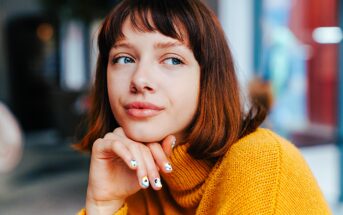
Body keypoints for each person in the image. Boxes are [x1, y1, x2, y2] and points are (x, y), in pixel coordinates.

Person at [76, 0, 331, 214]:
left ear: (208, 77)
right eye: (124, 58)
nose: (140, 80)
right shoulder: (129, 174)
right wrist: (103, 203)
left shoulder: (260, 163)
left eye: (172, 60)